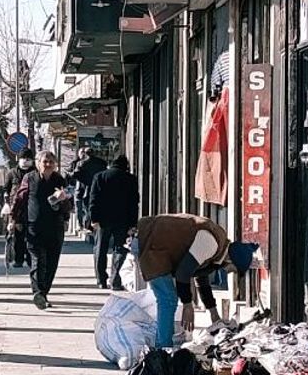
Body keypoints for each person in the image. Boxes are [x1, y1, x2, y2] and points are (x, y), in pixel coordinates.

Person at [133, 214, 258, 348]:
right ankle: (163, 349)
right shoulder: (211, 244)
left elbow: (201, 277)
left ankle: (163, 344)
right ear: (231, 260)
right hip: (150, 243)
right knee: (168, 299)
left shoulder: (218, 248)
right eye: (234, 270)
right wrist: (188, 306)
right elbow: (183, 273)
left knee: (168, 299)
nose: (230, 273)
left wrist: (214, 314)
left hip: (153, 244)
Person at [12, 150, 71, 310]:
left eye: (51, 162)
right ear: (38, 163)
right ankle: (38, 292)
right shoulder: (30, 178)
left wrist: (63, 200)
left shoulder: (59, 180)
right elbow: (20, 199)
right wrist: (15, 219)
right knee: (38, 260)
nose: (48, 164)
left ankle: (43, 293)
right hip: (34, 226)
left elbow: (68, 204)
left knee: (52, 262)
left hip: (55, 226)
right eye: (45, 161)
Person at [88, 154, 139, 290]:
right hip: (123, 220)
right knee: (120, 248)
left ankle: (101, 280)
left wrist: (93, 218)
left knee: (100, 248)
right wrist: (133, 223)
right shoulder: (131, 179)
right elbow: (134, 203)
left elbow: (93, 199)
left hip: (103, 220)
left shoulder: (100, 177)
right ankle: (115, 279)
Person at [3, 148, 35, 268]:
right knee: (17, 235)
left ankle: (31, 259)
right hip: (15, 208)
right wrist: (6, 202)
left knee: (31, 234)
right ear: (18, 159)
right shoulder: (12, 173)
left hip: (31, 207)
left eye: (28, 158)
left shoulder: (35, 173)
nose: (25, 161)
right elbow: (6, 189)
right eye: (23, 158)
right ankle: (18, 259)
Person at [70, 147, 107, 232]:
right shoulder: (102, 162)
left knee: (87, 207)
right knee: (96, 206)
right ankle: (93, 224)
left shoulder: (81, 163)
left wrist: (83, 179)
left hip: (86, 188)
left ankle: (87, 225)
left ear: (86, 154)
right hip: (99, 188)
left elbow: (75, 174)